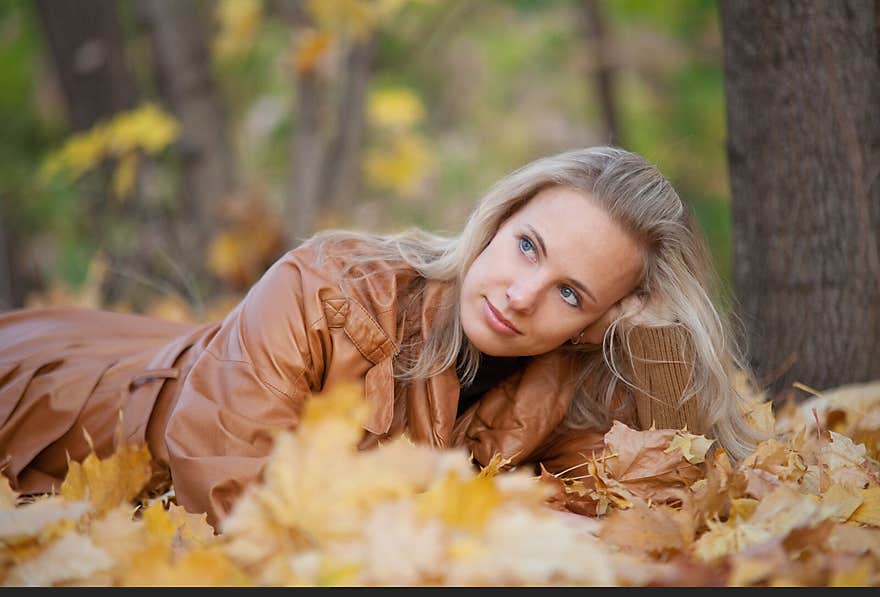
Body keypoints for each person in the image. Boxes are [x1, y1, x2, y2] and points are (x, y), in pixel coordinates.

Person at [0, 146, 764, 530]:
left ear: (597, 322)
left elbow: (653, 514)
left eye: (570, 291)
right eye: (527, 245)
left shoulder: (563, 383)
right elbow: (227, 499)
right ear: (495, 220)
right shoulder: (329, 288)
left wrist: (658, 340)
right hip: (59, 399)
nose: (520, 296)